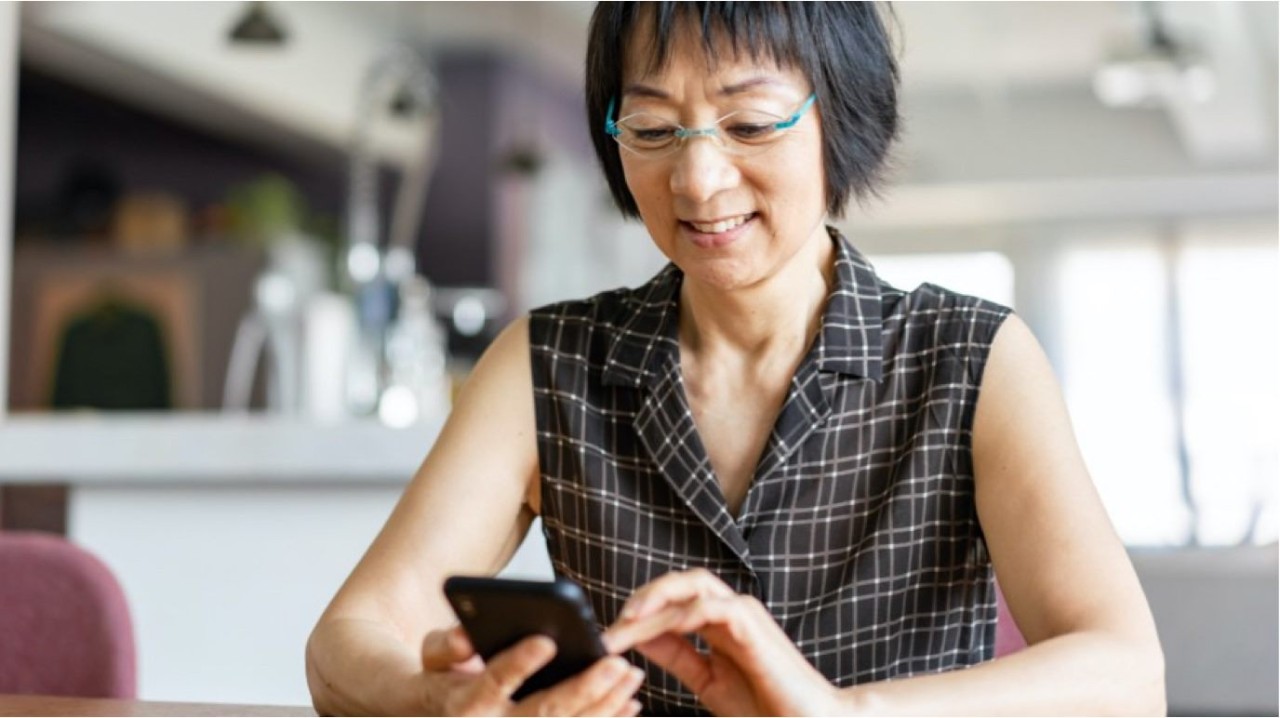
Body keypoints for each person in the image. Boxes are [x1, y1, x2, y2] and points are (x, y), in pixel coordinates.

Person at [306, 3, 1166, 715]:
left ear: (843, 117)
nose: (697, 179)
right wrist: (446, 702)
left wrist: (841, 711)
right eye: (652, 128)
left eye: (749, 123)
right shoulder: (545, 364)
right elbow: (346, 642)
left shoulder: (972, 360)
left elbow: (1126, 676)